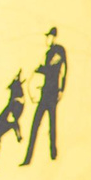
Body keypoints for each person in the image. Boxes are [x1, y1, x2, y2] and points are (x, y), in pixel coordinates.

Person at [21, 28, 68, 165]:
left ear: (53, 37)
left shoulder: (59, 50)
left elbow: (60, 68)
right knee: (36, 125)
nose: (47, 40)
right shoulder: (48, 53)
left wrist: (61, 89)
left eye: (49, 37)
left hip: (52, 93)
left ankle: (53, 155)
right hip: (45, 93)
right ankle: (28, 158)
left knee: (51, 126)